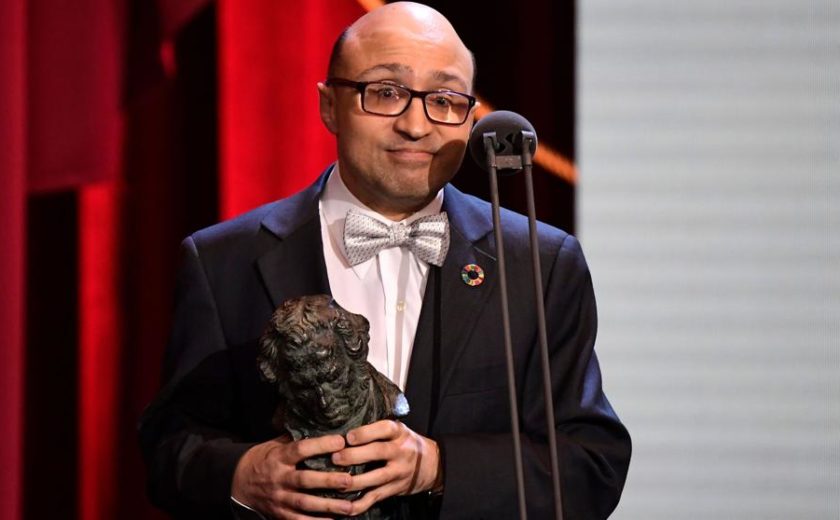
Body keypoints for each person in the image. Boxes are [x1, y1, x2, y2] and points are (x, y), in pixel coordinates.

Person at [138, 2, 631, 519]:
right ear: (330, 105)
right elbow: (170, 446)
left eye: (444, 99)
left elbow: (591, 463)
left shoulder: (539, 263)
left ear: (470, 118)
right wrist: (242, 475)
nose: (416, 125)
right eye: (387, 93)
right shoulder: (223, 260)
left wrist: (439, 467)